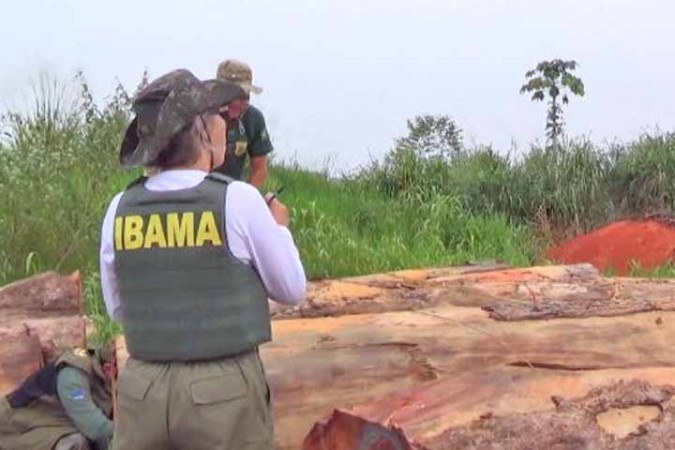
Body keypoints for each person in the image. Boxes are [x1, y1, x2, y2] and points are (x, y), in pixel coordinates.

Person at [99, 69, 306, 450]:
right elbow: (291, 289)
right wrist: (279, 228)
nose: (226, 123)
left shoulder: (120, 208)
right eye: (219, 117)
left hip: (141, 388)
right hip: (222, 391)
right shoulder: (238, 200)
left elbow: (118, 308)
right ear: (200, 132)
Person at [0, 346, 116, 450]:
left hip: (55, 419)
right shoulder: (73, 378)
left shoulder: (99, 362)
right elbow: (96, 428)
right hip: (19, 424)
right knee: (75, 443)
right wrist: (131, 430)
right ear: (108, 368)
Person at [213, 59, 273, 187]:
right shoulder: (200, 115)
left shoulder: (253, 118)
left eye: (246, 96)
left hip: (232, 191)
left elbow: (260, 169)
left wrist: (246, 198)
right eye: (235, 95)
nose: (241, 102)